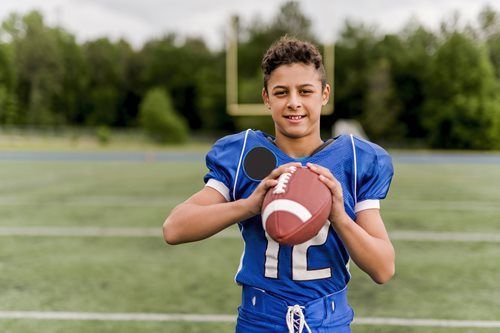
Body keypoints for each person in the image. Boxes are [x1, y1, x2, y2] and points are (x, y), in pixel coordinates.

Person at [163, 36, 395, 333]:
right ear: (266, 98)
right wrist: (249, 205)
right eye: (281, 92)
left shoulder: (353, 159)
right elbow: (174, 228)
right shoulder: (249, 155)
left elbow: (383, 268)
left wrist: (337, 215)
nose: (294, 102)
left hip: (328, 322)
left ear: (324, 95)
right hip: (259, 320)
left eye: (305, 91)